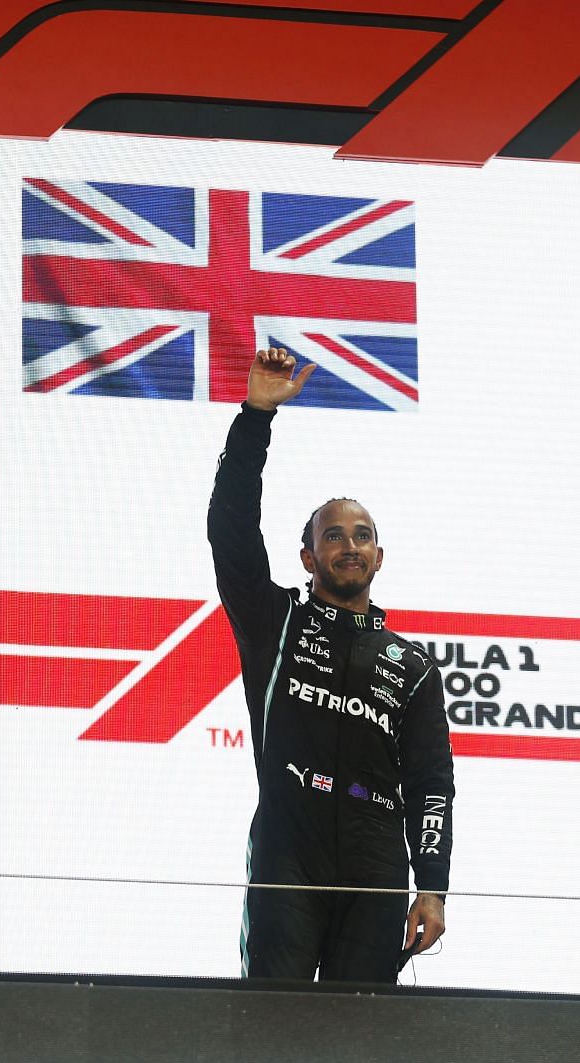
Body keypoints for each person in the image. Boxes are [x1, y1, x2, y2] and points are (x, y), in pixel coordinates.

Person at [209, 347, 455, 982]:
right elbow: (230, 534)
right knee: (274, 1027)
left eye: (362, 535)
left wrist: (432, 886)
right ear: (308, 557)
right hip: (289, 843)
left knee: (360, 1040)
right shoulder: (275, 622)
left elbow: (430, 783)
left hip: (376, 857)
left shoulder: (415, 666)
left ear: (380, 556)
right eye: (334, 536)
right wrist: (255, 418)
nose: (350, 545)